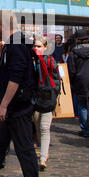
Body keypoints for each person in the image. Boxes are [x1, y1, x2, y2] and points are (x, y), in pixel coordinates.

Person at [0, 10, 39, 177]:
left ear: (2, 25)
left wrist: (3, 105)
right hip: (11, 110)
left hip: (17, 109)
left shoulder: (16, 45)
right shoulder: (12, 43)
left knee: (25, 149)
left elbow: (15, 78)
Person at [32, 35, 58, 170]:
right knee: (37, 126)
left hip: (47, 97)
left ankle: (43, 157)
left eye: (39, 46)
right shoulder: (31, 61)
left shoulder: (50, 61)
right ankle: (44, 151)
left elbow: (56, 79)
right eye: (35, 46)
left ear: (45, 48)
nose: (36, 49)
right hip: (35, 98)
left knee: (44, 127)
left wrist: (55, 93)